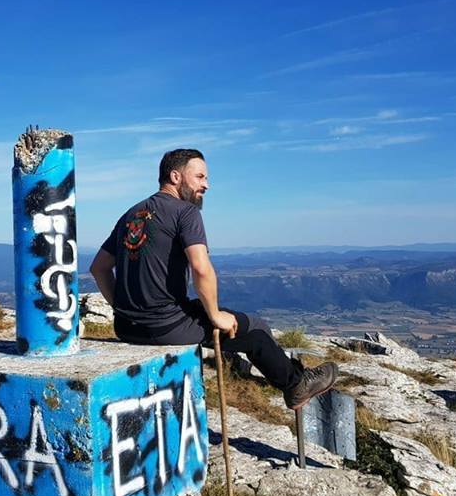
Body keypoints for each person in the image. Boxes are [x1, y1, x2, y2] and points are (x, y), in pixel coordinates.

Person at [89, 148, 337, 410]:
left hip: (126, 327)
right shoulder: (185, 212)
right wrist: (216, 315)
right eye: (199, 177)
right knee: (254, 330)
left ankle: (292, 372)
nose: (206, 185)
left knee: (228, 317)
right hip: (163, 327)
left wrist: (122, 308)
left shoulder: (131, 215)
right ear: (175, 176)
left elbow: (99, 268)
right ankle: (295, 385)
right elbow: (201, 268)